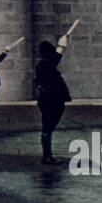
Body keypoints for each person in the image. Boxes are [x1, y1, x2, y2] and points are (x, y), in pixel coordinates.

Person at [35, 35, 72, 164]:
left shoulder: (43, 65)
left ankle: (47, 155)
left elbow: (54, 60)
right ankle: (47, 157)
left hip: (47, 99)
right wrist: (61, 47)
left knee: (47, 128)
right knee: (47, 128)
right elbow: (54, 59)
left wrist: (61, 47)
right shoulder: (45, 65)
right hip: (51, 100)